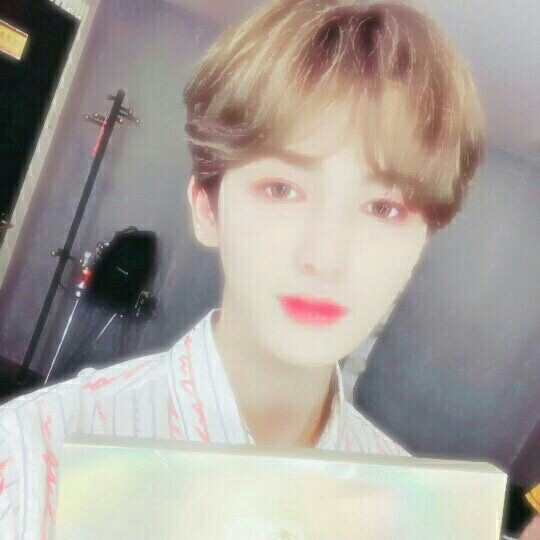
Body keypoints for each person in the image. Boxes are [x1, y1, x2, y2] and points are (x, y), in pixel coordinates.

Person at [2, 0, 535, 538]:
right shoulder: (30, 461)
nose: (326, 257)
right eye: (281, 189)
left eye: (383, 207)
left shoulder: (421, 521)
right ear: (207, 209)